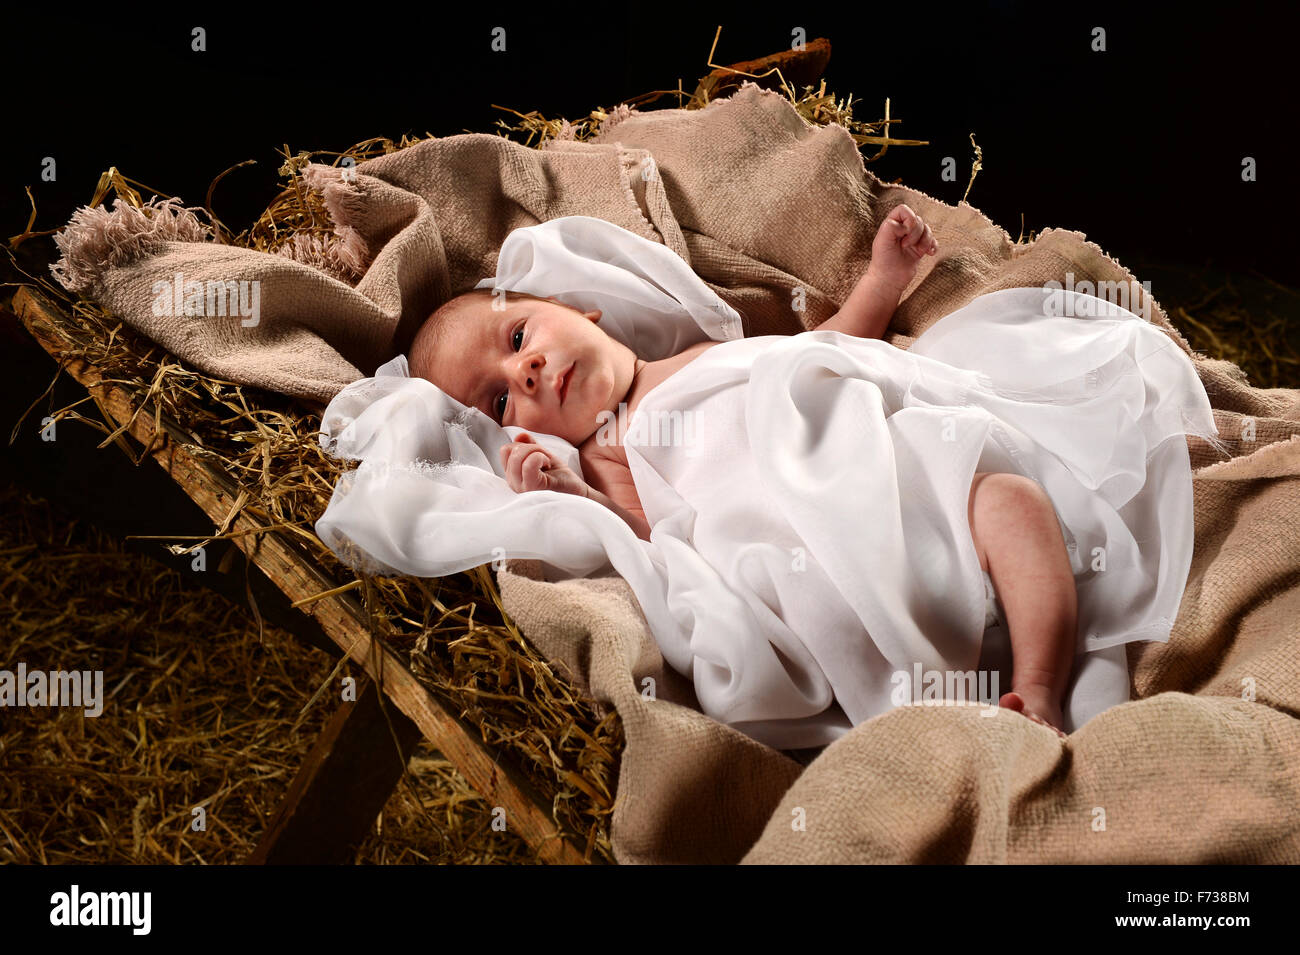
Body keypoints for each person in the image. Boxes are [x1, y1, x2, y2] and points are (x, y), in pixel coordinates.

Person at [408, 205, 1075, 735]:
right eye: (500, 399)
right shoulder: (604, 450)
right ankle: (958, 704)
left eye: (520, 337)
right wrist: (572, 494)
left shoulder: (700, 352)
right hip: (807, 556)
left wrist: (885, 277)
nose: (524, 370)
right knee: (840, 618)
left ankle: (1039, 686)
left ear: (578, 310)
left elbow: (825, 345)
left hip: (887, 489)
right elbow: (644, 540)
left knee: (1010, 500)